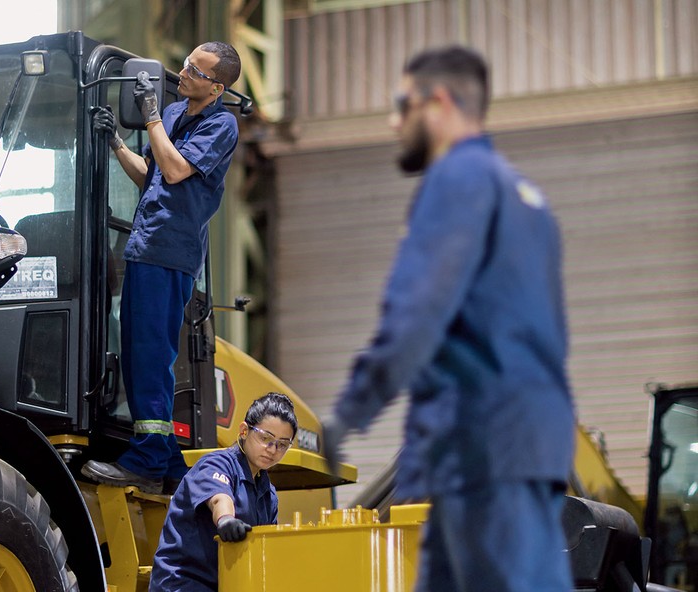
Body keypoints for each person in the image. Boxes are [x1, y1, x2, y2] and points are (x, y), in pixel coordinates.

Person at [321, 45, 575, 592]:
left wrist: (352, 410)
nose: (393, 122)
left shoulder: (457, 179)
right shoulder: (527, 198)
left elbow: (418, 311)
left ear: (437, 102)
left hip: (481, 443)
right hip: (510, 441)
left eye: (400, 104)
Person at [82, 42, 242, 494]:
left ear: (217, 87)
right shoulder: (173, 117)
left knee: (151, 355)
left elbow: (174, 171)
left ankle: (148, 459)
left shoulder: (221, 124)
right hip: (145, 244)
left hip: (171, 252)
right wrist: (115, 140)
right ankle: (169, 463)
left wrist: (151, 114)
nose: (184, 73)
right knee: (137, 352)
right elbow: (149, 173)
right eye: (186, 64)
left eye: (195, 70)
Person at [149, 392, 297, 591]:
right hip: (182, 583)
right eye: (265, 438)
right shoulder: (217, 464)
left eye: (282, 445)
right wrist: (226, 520)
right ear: (244, 431)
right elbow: (219, 498)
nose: (272, 449)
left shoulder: (268, 494)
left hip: (226, 584)